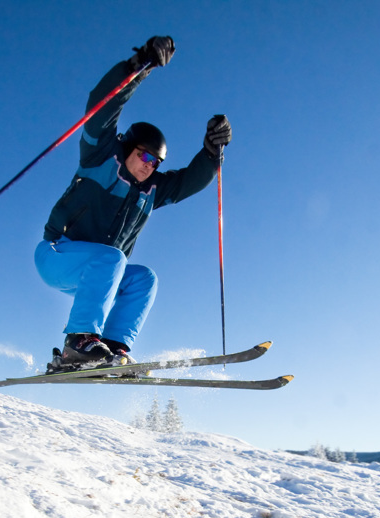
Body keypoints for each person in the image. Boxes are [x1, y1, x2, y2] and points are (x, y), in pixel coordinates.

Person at [35, 35, 233, 369]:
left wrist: (212, 153)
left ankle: (109, 348)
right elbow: (102, 106)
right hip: (57, 254)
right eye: (144, 155)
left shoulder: (151, 189)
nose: (148, 165)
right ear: (128, 147)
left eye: (156, 162)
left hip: (98, 273)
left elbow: (188, 181)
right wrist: (138, 67)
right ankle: (79, 342)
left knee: (143, 278)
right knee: (112, 259)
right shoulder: (100, 158)